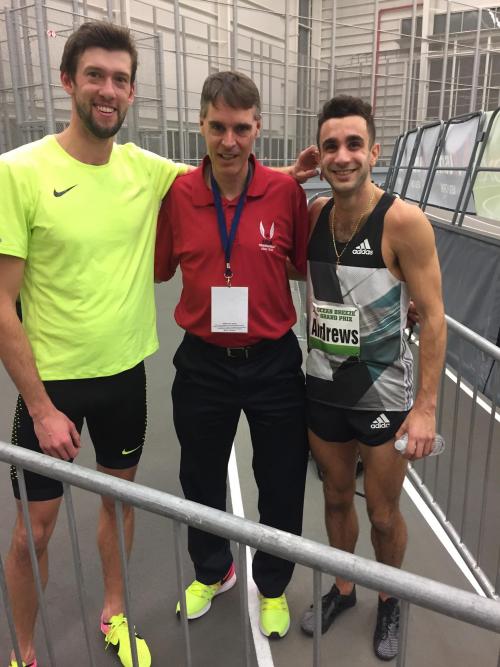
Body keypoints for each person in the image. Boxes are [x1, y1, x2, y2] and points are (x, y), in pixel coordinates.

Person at [0, 21, 190, 667]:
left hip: (124, 380)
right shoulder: (19, 172)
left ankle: (114, 614)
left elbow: (226, 174)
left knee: (118, 503)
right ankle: (24, 652)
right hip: (51, 388)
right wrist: (41, 408)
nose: (108, 90)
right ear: (68, 82)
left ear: (132, 92)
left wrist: (295, 174)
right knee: (33, 533)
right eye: (95, 76)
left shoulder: (146, 169)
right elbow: (1, 302)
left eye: (120, 79)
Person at [154, 71, 311, 639]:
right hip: (202, 363)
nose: (229, 141)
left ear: (257, 128)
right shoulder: (177, 195)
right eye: (218, 127)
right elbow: (159, 268)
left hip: (273, 362)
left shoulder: (285, 193)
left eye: (241, 128)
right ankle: (213, 570)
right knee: (199, 477)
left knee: (282, 479)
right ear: (201, 124)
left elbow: (306, 264)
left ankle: (272, 584)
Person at [300, 95, 446, 661]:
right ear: (319, 154)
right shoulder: (314, 214)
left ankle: (390, 597)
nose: (343, 156)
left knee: (383, 514)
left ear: (374, 152)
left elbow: (433, 317)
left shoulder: (403, 222)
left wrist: (425, 408)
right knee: (336, 498)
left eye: (354, 144)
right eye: (331, 146)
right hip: (323, 388)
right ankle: (344, 588)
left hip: (382, 395)